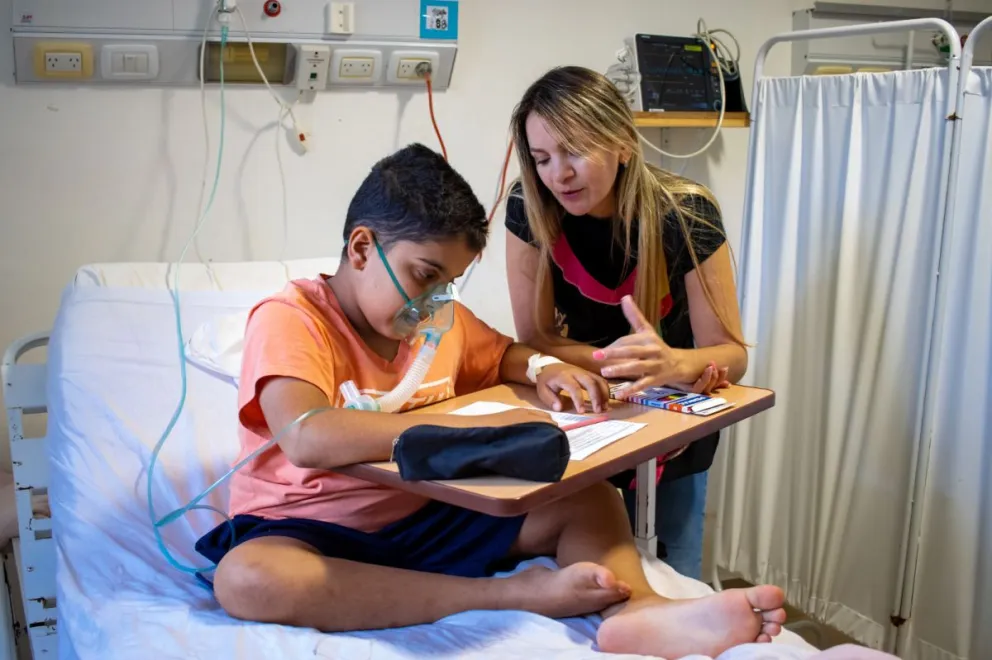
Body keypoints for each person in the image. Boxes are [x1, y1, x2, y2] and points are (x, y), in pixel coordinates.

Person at [194, 143, 788, 659]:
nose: (435, 301)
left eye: (448, 284)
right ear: (360, 248)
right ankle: (509, 595)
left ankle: (639, 614)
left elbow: (503, 353)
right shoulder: (294, 319)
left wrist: (546, 365)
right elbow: (306, 434)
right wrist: (464, 439)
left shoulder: (438, 324)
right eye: (425, 275)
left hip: (425, 517)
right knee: (247, 580)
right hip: (315, 529)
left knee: (589, 498)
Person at [504, 66, 747, 580]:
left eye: (574, 151)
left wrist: (673, 362)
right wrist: (611, 365)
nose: (558, 175)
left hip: (672, 413)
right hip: (584, 411)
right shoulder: (530, 205)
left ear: (622, 144)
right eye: (543, 158)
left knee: (674, 572)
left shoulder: (686, 212)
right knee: (596, 570)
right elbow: (534, 340)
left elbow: (730, 353)